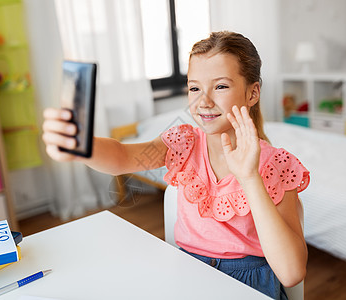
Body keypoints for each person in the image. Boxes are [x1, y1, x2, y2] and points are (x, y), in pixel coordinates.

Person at [42, 31, 310, 300]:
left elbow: (291, 273)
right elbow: (123, 156)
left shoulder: (275, 164)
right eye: (195, 88)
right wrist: (81, 146)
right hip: (187, 272)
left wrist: (250, 178)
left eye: (220, 86)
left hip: (248, 283)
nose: (203, 101)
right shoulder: (184, 142)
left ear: (253, 93)